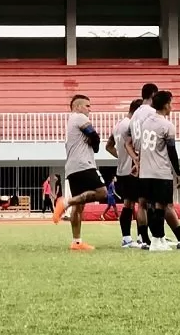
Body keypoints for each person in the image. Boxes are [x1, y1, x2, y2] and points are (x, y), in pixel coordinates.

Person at [138, 91, 180, 251]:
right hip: (160, 171)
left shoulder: (145, 123)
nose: (171, 106)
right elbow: (172, 151)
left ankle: (156, 240)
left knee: (151, 206)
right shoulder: (166, 125)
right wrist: (178, 173)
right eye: (171, 103)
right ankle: (158, 241)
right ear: (166, 104)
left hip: (145, 172)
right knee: (161, 206)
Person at [52, 95, 108, 250]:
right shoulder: (79, 117)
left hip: (72, 166)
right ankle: (65, 202)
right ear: (77, 107)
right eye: (87, 106)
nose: (90, 109)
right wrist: (95, 144)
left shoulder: (71, 122)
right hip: (85, 164)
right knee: (103, 193)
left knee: (80, 205)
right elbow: (94, 136)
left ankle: (76, 242)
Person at [122, 83, 159, 247]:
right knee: (152, 202)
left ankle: (144, 238)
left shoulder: (135, 114)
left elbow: (127, 142)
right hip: (150, 159)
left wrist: (136, 159)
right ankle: (156, 237)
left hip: (140, 159)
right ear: (153, 94)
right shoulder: (152, 113)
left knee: (141, 203)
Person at [106, 99, 145, 248]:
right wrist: (134, 159)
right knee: (142, 204)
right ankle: (142, 237)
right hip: (132, 170)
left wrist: (120, 156)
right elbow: (133, 145)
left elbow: (108, 146)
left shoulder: (118, 125)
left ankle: (127, 238)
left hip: (122, 169)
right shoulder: (131, 125)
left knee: (128, 203)